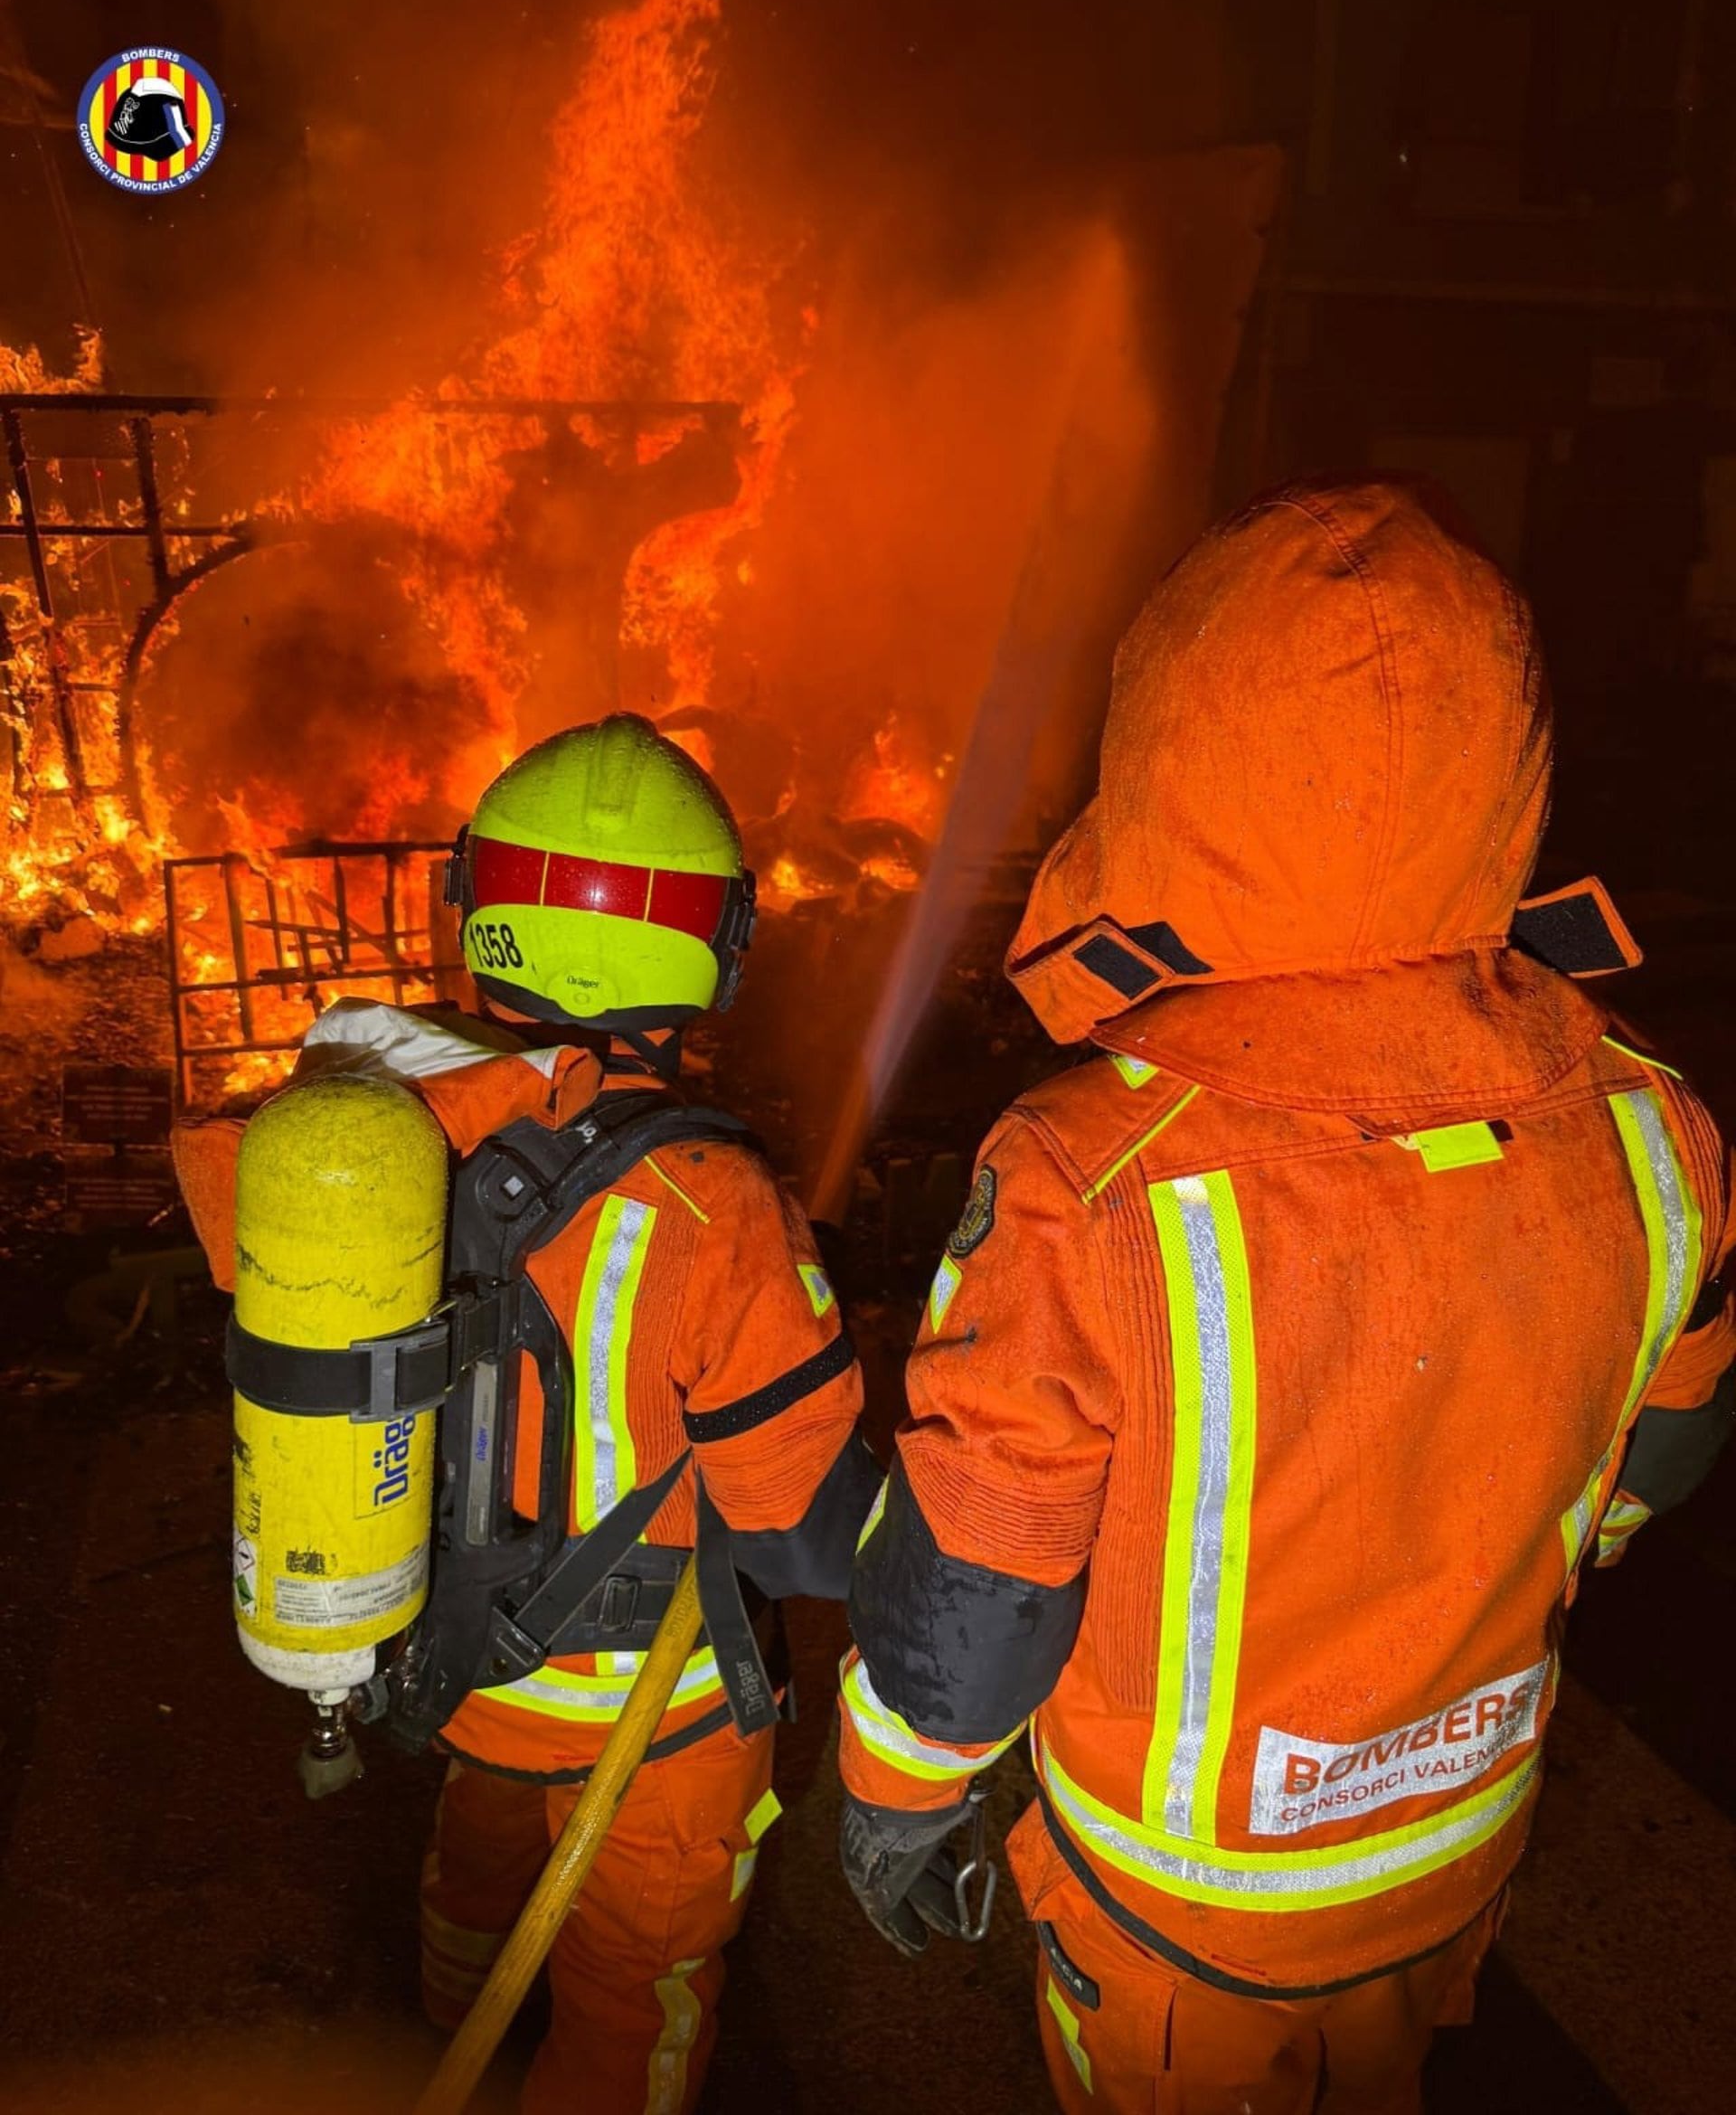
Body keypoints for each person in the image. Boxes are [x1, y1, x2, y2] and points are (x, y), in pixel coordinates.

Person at [835, 477, 1736, 2112]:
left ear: (1178, 760)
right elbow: (1653, 1458)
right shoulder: (1654, 1119)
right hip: (1453, 1855)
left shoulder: (1088, 1173)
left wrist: (896, 1792)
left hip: (1186, 1907)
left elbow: (983, 1573)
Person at [178, 715, 876, 2115]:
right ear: (711, 950)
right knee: (637, 1991)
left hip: (465, 1674)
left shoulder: (376, 1137)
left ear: (478, 909)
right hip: (654, 1727)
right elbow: (806, 1533)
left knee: (480, 1871)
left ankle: (450, 2024)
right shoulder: (711, 1203)